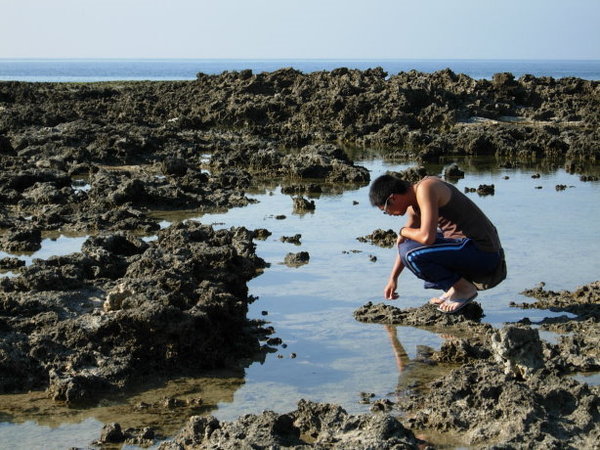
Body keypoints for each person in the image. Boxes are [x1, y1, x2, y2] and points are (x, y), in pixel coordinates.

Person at [369, 173, 506, 313]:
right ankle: (455, 287)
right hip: (468, 250)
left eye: (386, 210)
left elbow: (427, 238)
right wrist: (393, 279)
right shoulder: (414, 205)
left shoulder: (426, 188)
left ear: (393, 198)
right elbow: (405, 243)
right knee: (409, 245)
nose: (389, 214)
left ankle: (463, 289)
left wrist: (403, 231)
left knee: (412, 255)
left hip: (483, 252)